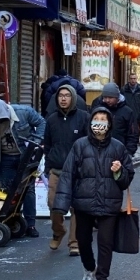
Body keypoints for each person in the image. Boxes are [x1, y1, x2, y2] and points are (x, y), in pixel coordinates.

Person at [52, 107, 134, 280]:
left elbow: (127, 179)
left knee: (105, 243)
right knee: (83, 240)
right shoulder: (80, 145)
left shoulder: (118, 147)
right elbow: (68, 174)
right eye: (96, 119)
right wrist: (61, 205)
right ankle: (89, 268)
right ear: (90, 123)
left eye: (103, 120)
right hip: (83, 202)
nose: (99, 123)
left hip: (109, 202)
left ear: (109, 124)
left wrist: (119, 171)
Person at [43, 84, 89, 256]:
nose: (63, 98)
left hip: (77, 171)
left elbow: (89, 144)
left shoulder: (83, 117)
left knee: (76, 207)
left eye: (67, 95)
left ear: (73, 98)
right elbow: (47, 145)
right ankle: (58, 231)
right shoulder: (51, 119)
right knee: (53, 205)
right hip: (56, 170)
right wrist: (48, 167)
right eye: (60, 95)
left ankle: (74, 242)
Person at [0, 98, 46, 238]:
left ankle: (30, 224)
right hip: (5, 158)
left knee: (28, 189)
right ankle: (10, 220)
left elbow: (42, 122)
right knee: (7, 190)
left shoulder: (23, 111)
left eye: (2, 120)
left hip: (24, 154)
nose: (0, 123)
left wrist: (36, 142)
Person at [91, 83, 139, 156]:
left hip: (119, 152)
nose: (107, 100)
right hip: (99, 151)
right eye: (105, 97)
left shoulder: (127, 112)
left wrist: (129, 152)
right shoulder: (98, 109)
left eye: (110, 97)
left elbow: (133, 134)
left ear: (117, 97)